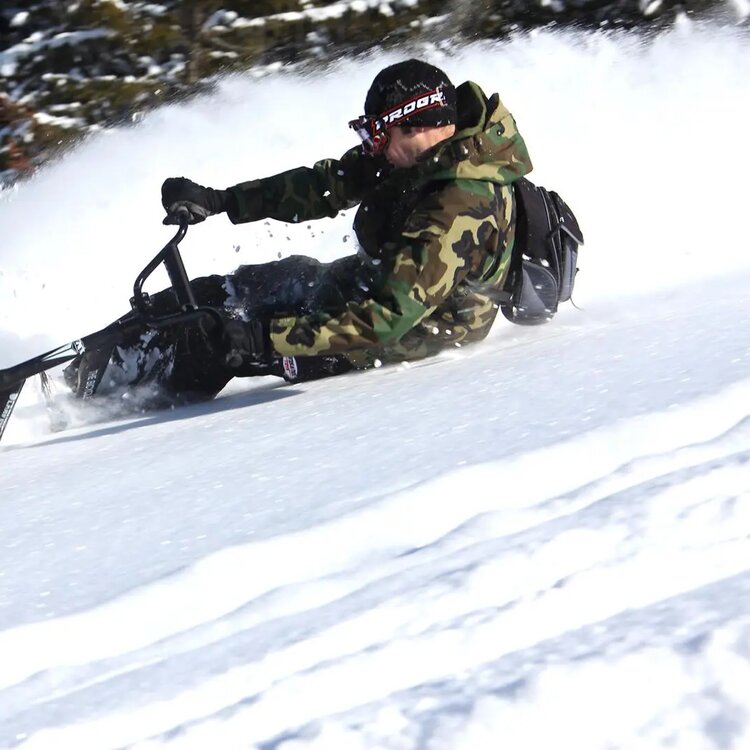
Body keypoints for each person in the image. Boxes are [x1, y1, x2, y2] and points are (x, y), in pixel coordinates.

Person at [64, 59, 581, 406]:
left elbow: (388, 318)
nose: (373, 147)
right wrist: (222, 201)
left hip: (412, 333)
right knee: (242, 287)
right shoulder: (416, 157)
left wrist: (261, 337)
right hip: (378, 285)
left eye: (379, 133)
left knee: (226, 337)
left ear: (418, 124)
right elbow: (325, 185)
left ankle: (110, 405)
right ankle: (99, 360)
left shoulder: (460, 206)